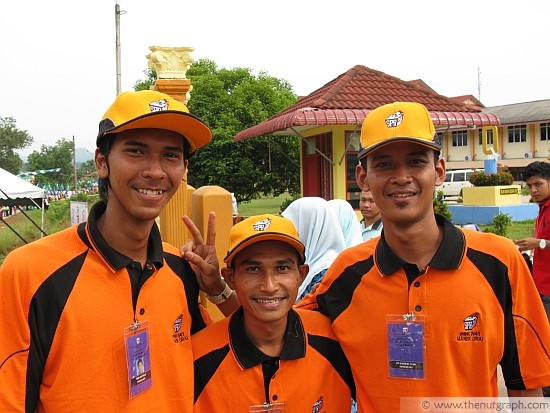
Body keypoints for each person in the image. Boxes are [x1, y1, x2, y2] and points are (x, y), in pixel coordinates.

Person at [297, 102, 550, 412]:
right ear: (363, 177)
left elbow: (525, 383)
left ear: (439, 171)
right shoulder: (347, 273)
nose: (401, 177)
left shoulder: (498, 261)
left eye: (416, 162)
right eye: (384, 164)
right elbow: (276, 330)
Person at [0, 90, 233, 412]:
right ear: (102, 162)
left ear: (183, 168)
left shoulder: (181, 269)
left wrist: (217, 289)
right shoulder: (31, 273)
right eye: (136, 151)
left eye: (170, 155)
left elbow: (243, 345)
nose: (155, 171)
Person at [192, 214, 355, 412]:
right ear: (230, 277)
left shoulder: (337, 341)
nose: (269, 286)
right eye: (253, 269)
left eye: (282, 268)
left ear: (301, 275)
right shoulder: (198, 358)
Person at [281, 196, 346, 300]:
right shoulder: (310, 260)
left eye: (292, 227)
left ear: (309, 228)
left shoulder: (328, 272)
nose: (288, 234)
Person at [516, 161, 550, 319]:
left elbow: (542, 242)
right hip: (541, 284)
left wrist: (539, 243)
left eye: (538, 184)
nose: (533, 190)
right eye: (529, 186)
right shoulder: (543, 207)